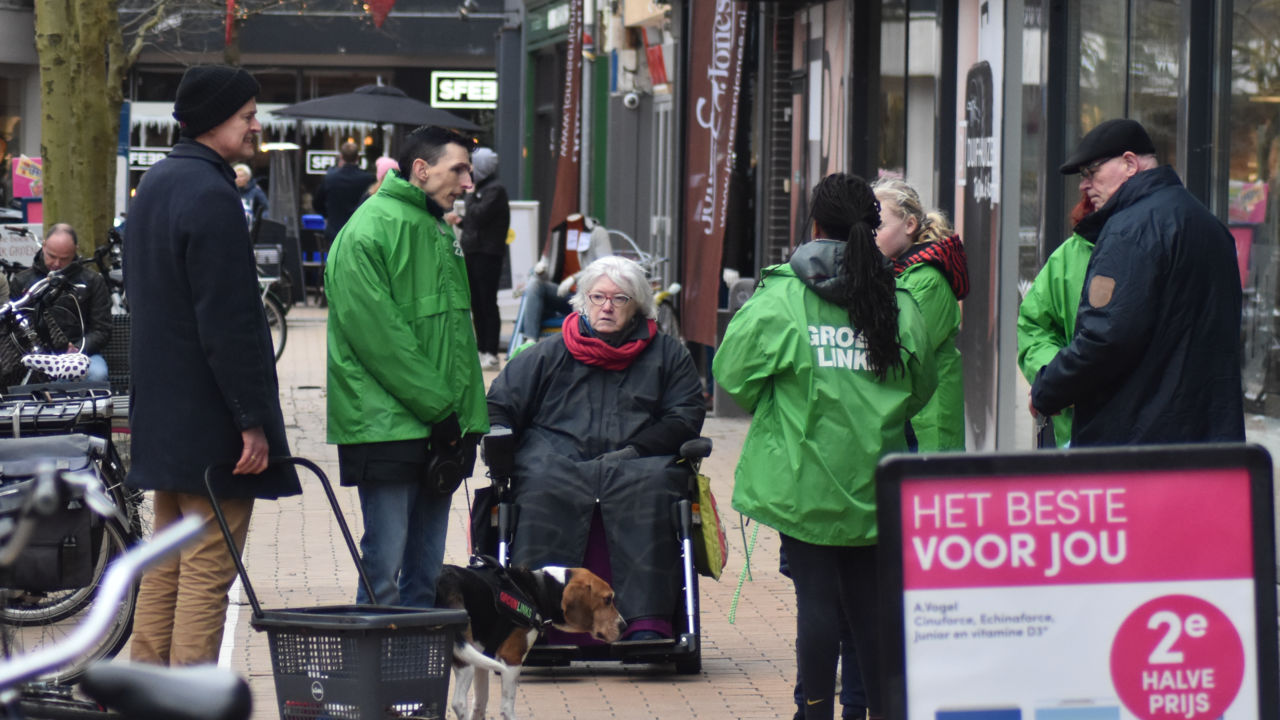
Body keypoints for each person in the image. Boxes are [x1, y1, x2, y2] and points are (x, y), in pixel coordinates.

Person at [714, 173, 936, 720]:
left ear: (813, 225)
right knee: (869, 607)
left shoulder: (783, 297)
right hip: (874, 477)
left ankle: (814, 712)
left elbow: (731, 374)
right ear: (873, 225)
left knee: (815, 603)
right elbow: (920, 387)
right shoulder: (899, 300)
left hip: (803, 476)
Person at [123, 64, 300, 666]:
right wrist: (251, 418)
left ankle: (144, 694)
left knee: (165, 564)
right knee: (205, 573)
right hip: (210, 421)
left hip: (164, 414)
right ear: (212, 122)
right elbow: (228, 322)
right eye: (246, 115)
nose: (256, 125)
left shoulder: (157, 186)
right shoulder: (212, 194)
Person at [486, 256, 705, 640]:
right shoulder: (546, 354)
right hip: (555, 458)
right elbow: (499, 404)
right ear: (582, 301)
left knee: (653, 486)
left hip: (638, 462)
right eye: (598, 296)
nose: (606, 306)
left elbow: (684, 416)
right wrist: (500, 436)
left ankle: (645, 625)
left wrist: (634, 452)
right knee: (539, 481)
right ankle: (539, 627)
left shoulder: (669, 356)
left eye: (619, 299)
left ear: (638, 305)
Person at [325, 125, 488, 608]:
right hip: (390, 426)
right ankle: (377, 674)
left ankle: (414, 674)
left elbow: (452, 338)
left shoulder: (434, 226)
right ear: (421, 169)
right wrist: (445, 411)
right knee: (386, 566)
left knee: (424, 568)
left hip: (436, 425)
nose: (468, 182)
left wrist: (461, 420)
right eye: (458, 168)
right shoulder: (370, 229)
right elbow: (382, 341)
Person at [1031, 118, 1244, 445]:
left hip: (1140, 449)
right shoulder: (1210, 225)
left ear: (1130, 163)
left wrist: (1047, 389)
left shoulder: (1128, 230)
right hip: (1209, 446)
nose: (1083, 185)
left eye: (1090, 172)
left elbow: (1106, 339)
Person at [872, 177, 968, 451]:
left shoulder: (927, 279)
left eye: (878, 225)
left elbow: (901, 350)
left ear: (910, 225)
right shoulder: (897, 270)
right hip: (908, 414)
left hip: (926, 421)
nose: (870, 233)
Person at [1017, 191, 1096, 448]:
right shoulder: (1067, 257)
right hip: (1074, 434)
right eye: (1086, 176)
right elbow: (1035, 327)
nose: (1087, 183)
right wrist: (1057, 380)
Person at [10, 224, 111, 382]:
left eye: (64, 258)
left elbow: (102, 328)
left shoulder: (93, 281)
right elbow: (15, 327)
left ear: (75, 251)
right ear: (44, 246)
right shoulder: (21, 281)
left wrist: (77, 349)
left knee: (97, 375)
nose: (57, 263)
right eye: (52, 256)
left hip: (82, 353)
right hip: (37, 354)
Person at [446, 148, 509, 371]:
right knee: (476, 304)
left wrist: (470, 199)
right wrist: (460, 220)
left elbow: (480, 215)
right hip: (473, 252)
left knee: (487, 303)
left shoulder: (495, 190)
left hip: (488, 254)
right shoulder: (482, 189)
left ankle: (490, 352)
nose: (469, 171)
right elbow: (474, 222)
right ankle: (481, 348)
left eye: (473, 165)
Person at [510, 217, 614, 351]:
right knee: (535, 284)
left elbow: (605, 264)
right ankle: (530, 341)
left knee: (582, 286)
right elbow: (548, 270)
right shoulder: (557, 233)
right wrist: (540, 271)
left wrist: (574, 278)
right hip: (561, 293)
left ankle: (578, 341)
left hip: (587, 295)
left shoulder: (597, 232)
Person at [314, 141, 375, 243]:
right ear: (358, 158)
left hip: (335, 230)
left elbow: (316, 202)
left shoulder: (330, 177)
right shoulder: (367, 179)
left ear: (341, 157)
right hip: (359, 232)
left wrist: (328, 215)